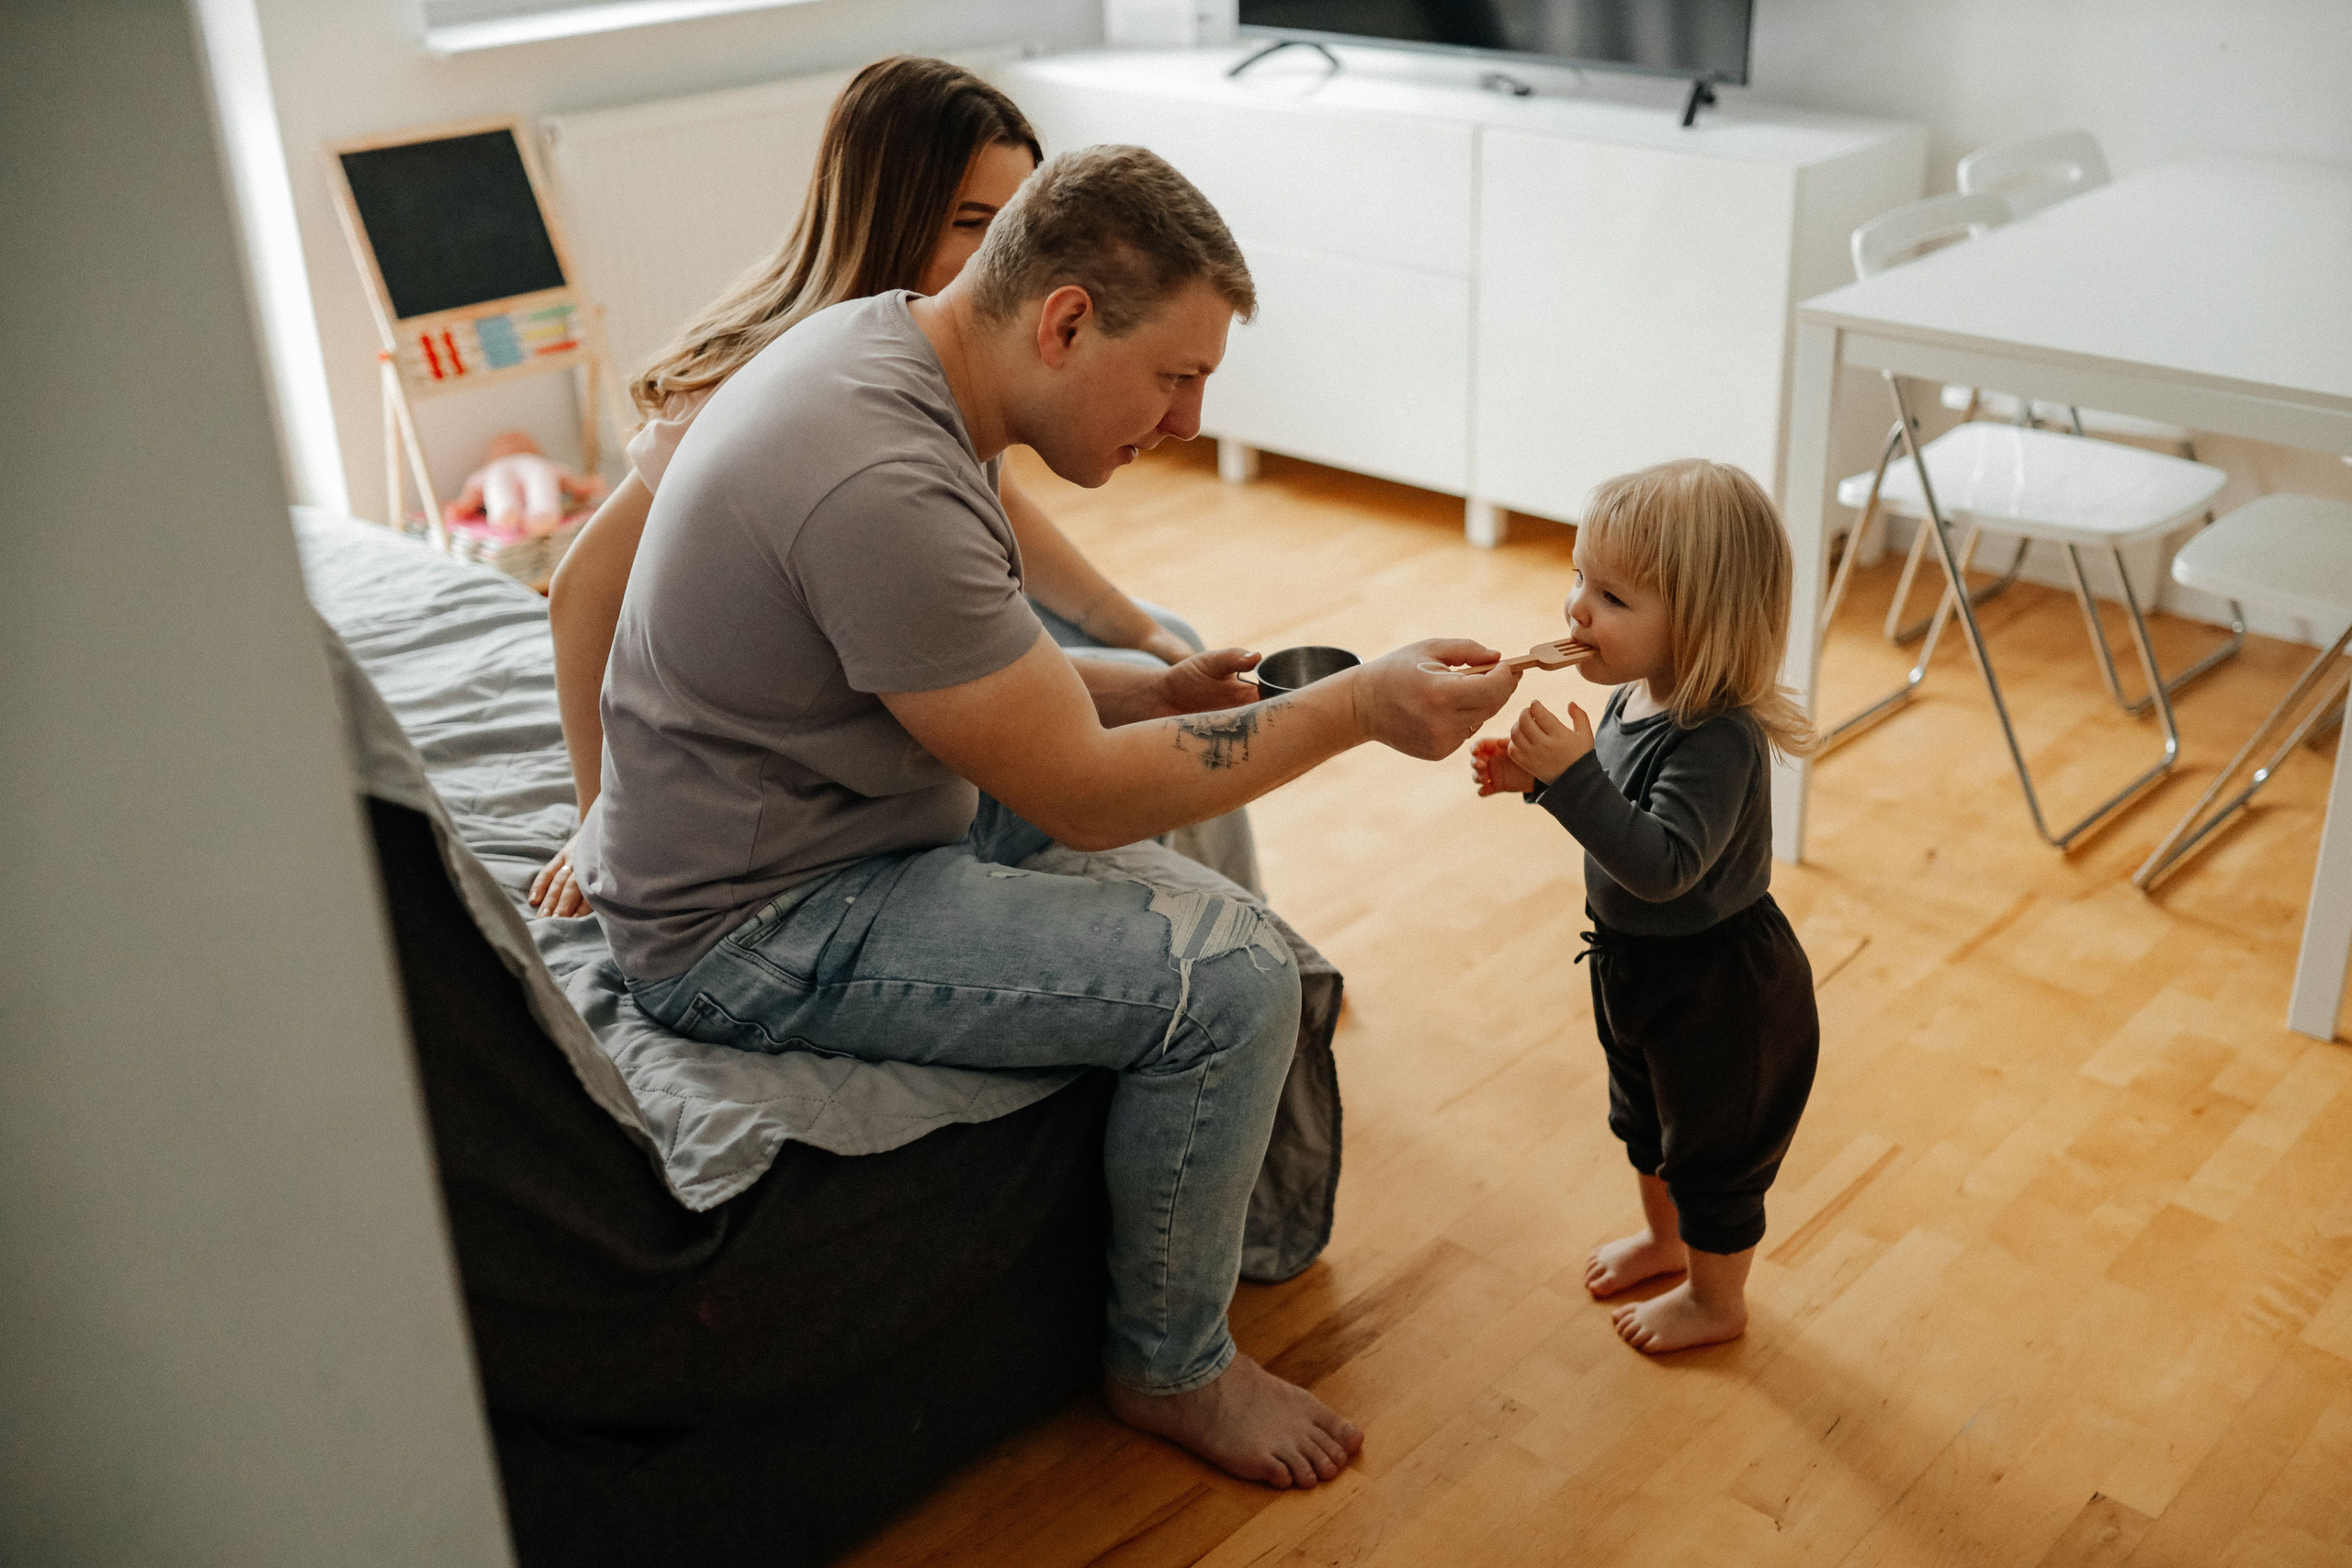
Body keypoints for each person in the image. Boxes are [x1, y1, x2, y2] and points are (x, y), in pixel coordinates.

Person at [572, 142, 1521, 1487]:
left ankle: (1229, 1172)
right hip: (753, 924)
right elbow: (1072, 794)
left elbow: (935, 663)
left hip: (835, 813)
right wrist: (1360, 708)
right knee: (1237, 971)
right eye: (1176, 377)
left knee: (1188, 802)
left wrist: (1140, 689)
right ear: (1065, 318)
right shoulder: (881, 474)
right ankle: (1172, 1362)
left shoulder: (882, 353)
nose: (1187, 420)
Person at [530, 56, 1253, 919]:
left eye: (1020, 222)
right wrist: (598, 812)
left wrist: (1140, 632)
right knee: (1125, 736)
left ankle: (1260, 933)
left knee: (1170, 642)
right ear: (885, 215)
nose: (1004, 257)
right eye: (975, 223)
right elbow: (582, 591)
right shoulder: (783, 398)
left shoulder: (952, 369)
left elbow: (1005, 509)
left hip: (894, 631)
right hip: (785, 774)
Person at [1469, 459, 1821, 1355]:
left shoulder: (1719, 737)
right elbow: (1617, 823)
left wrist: (1573, 779)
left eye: (1612, 598)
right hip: (1633, 964)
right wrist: (1539, 784)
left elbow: (1663, 864)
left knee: (1713, 1150)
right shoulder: (1634, 693)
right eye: (1580, 576)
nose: (1576, 610)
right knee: (1646, 1119)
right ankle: (1667, 1244)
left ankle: (1717, 1299)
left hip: (1719, 987)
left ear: (1699, 623)